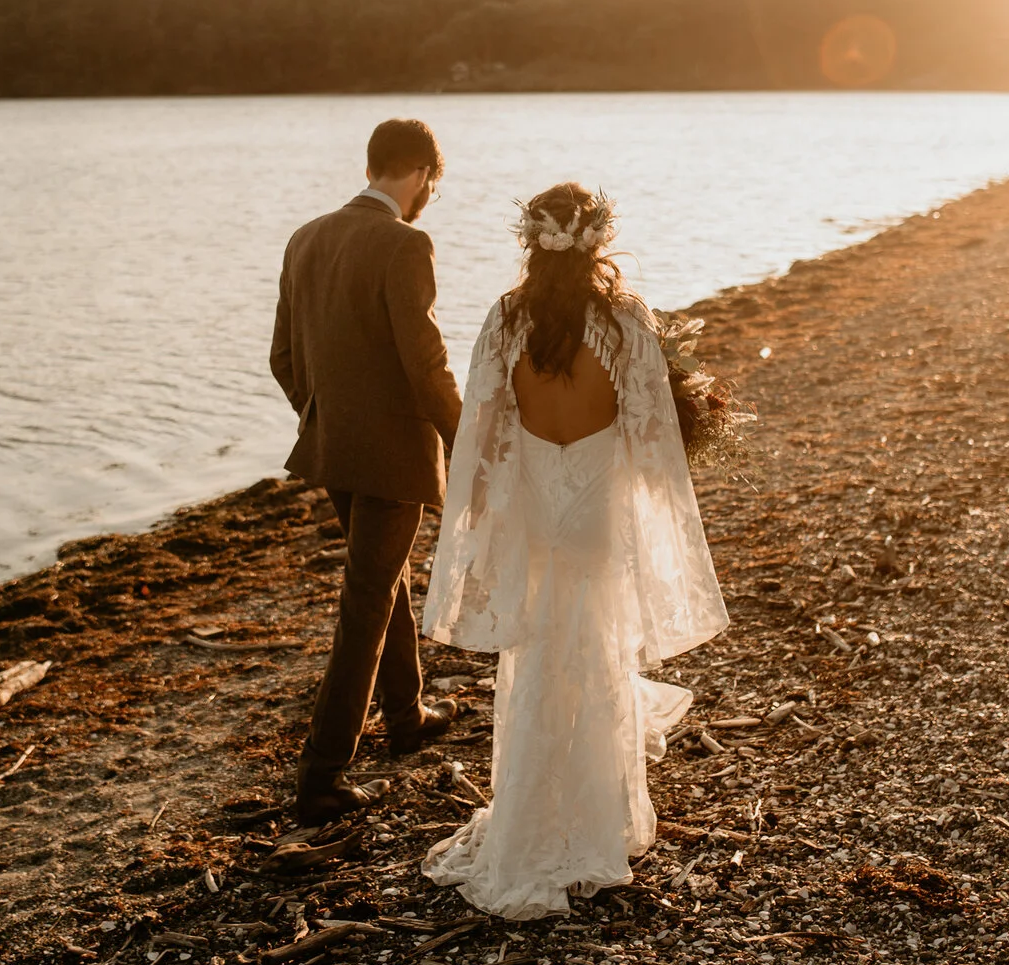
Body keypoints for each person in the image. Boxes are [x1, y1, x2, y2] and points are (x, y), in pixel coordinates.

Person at [420, 183, 728, 919]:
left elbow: (482, 435)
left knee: (536, 660)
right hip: (593, 511)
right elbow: (653, 445)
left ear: (531, 241)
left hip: (533, 511)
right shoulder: (625, 321)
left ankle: (529, 825)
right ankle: (600, 825)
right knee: (594, 652)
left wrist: (485, 517)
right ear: (597, 241)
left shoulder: (504, 318)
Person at [270, 118, 467, 823]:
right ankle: (322, 774)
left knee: (383, 579)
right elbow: (426, 363)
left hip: (333, 447)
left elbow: (283, 359)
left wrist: (325, 418)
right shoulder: (405, 242)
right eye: (431, 185)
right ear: (418, 173)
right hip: (391, 452)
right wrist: (464, 436)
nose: (428, 198)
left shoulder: (307, 236)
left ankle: (407, 713)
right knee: (366, 600)